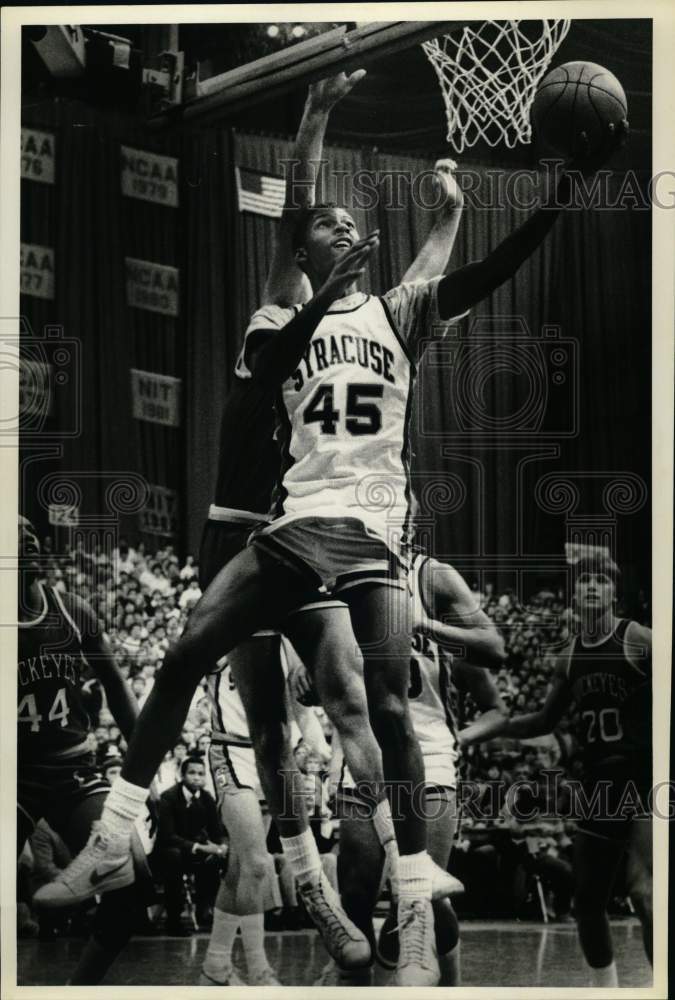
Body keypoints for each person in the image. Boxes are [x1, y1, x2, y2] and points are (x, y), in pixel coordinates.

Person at [40, 96, 625, 988]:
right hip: (289, 526)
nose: (344, 227)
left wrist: (555, 191)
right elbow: (278, 340)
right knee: (188, 649)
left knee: (382, 705)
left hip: (369, 536)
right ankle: (114, 834)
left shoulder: (401, 314)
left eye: (352, 224)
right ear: (304, 254)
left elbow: (493, 268)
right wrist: (315, 149)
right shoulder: (279, 318)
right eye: (326, 227)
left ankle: (412, 875)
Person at [309, 552, 507, 986]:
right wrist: (310, 674)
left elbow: (495, 649)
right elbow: (315, 680)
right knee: (356, 893)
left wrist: (421, 623)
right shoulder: (338, 574)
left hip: (429, 754)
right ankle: (349, 979)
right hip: (363, 753)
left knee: (422, 898)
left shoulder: (430, 577)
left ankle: (448, 983)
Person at [492, 552, 652, 986]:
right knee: (586, 900)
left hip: (644, 777)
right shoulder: (569, 655)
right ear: (573, 595)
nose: (593, 586)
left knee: (644, 891)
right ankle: (608, 990)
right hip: (599, 781)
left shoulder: (639, 639)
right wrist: (492, 728)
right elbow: (544, 721)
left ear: (614, 592)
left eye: (601, 580)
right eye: (585, 581)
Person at [17, 516, 144, 985]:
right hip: (14, 773)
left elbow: (119, 691)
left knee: (132, 885)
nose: (26, 533)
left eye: (28, 529)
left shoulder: (71, 610)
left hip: (74, 769)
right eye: (11, 532)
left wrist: (141, 770)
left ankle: (79, 989)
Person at [200, 636, 330, 986]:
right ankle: (259, 969)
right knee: (258, 864)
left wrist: (322, 755)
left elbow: (304, 712)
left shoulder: (289, 639)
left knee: (240, 866)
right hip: (231, 751)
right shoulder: (226, 624)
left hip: (274, 757)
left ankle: (215, 963)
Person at [152, 755, 225, 935]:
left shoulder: (207, 798)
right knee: (173, 857)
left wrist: (221, 846)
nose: (197, 777)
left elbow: (217, 832)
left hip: (197, 850)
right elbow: (167, 836)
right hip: (170, 851)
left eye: (201, 773)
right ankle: (173, 920)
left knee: (219, 859)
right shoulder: (168, 798)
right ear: (182, 775)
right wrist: (200, 847)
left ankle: (207, 910)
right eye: (192, 773)